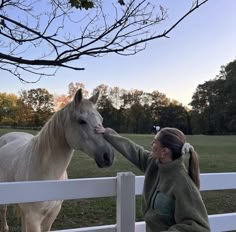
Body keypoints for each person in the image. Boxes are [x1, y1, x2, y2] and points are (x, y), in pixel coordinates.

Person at [95, 125, 210, 232]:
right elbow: (133, 150)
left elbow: (199, 227)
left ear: (164, 151)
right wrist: (107, 133)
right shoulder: (154, 163)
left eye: (155, 142)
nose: (151, 143)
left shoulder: (183, 183)